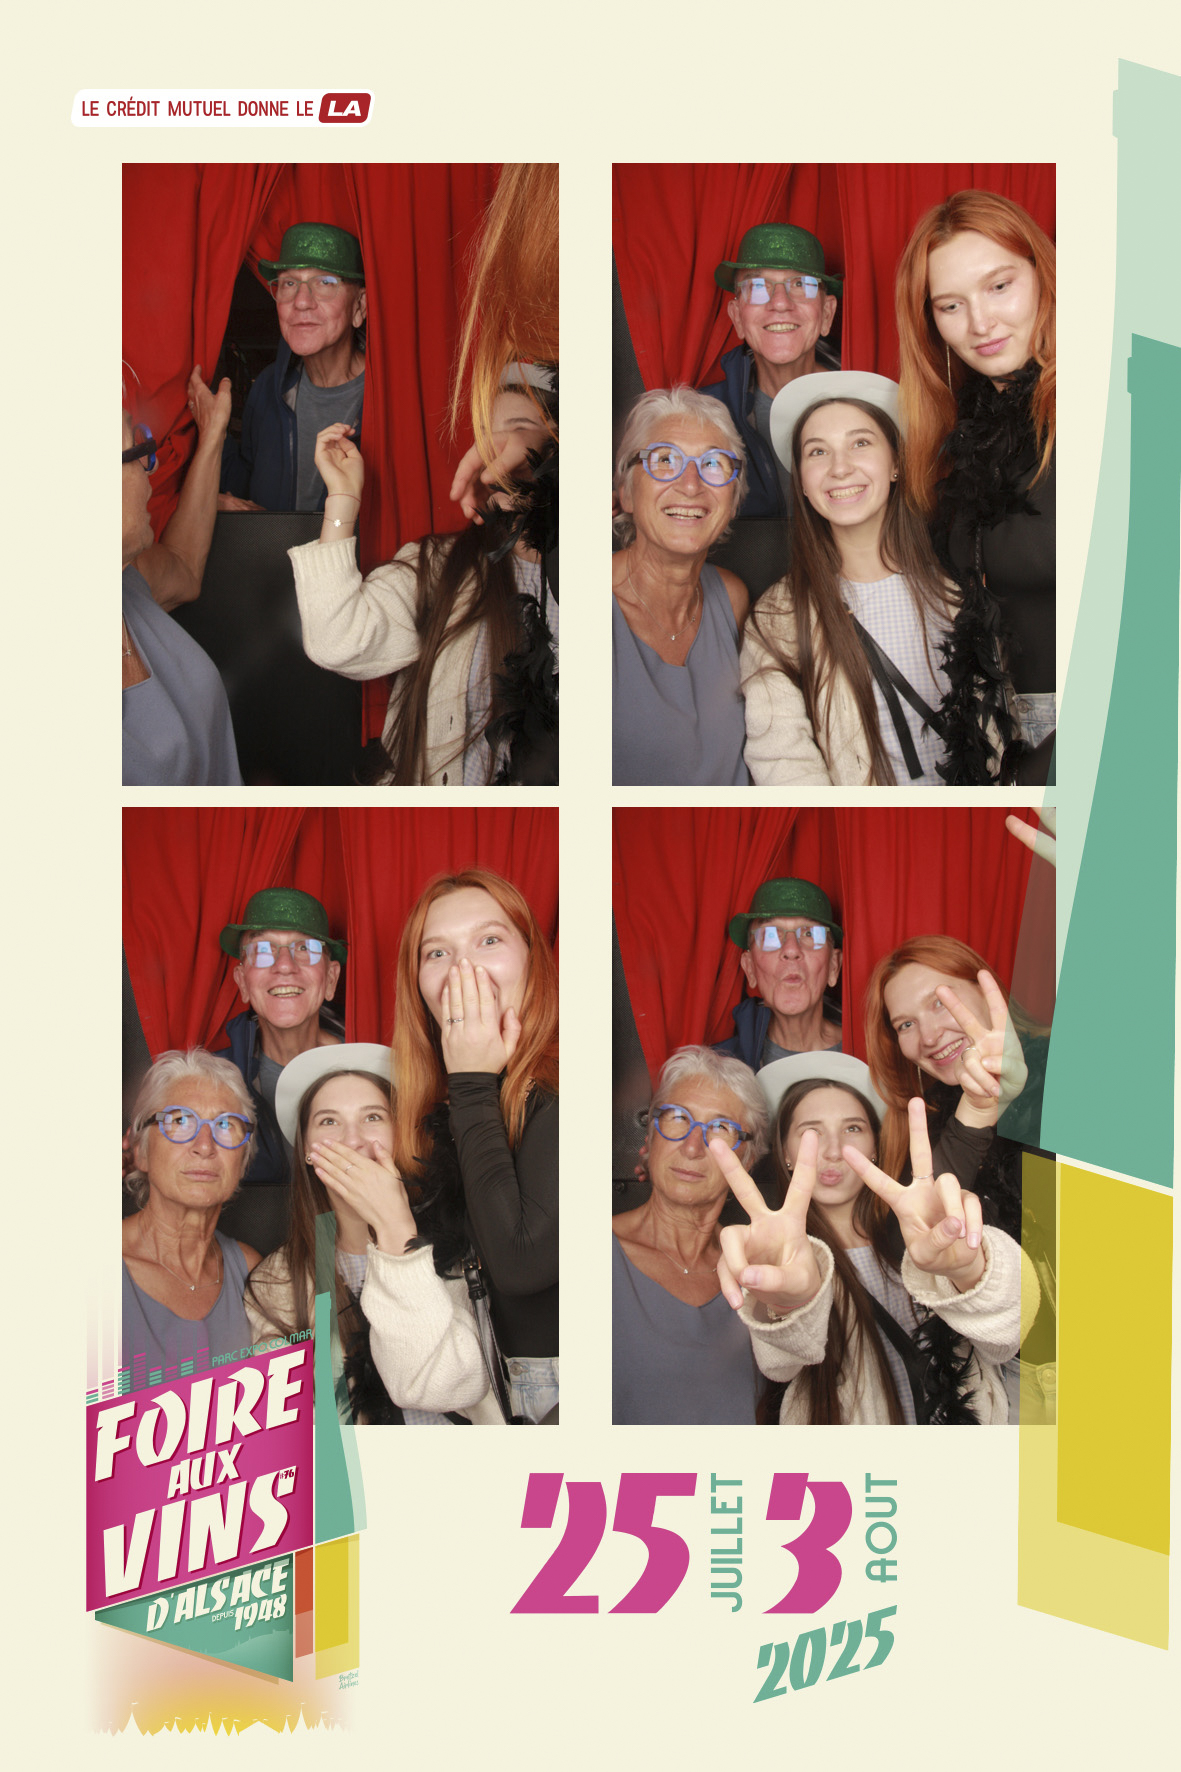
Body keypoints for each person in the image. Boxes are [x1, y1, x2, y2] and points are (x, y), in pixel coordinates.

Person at [714, 1052, 1035, 1424]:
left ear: (875, 1148)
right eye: (810, 1132)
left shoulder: (922, 1234)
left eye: (852, 1128)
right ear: (785, 1151)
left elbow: (1004, 1341)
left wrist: (970, 1270)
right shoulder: (782, 1256)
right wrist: (785, 1305)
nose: (833, 1151)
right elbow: (780, 1364)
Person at [289, 372, 558, 785]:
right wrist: (342, 498)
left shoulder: (610, 574)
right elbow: (336, 640)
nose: (497, 450)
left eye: (519, 430)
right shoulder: (439, 567)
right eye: (486, 437)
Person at [245, 1045, 496, 1425]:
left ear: (400, 1135)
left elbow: (448, 1387)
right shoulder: (276, 1284)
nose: (353, 1140)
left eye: (373, 1117)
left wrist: (395, 1229)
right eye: (329, 1121)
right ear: (307, 1150)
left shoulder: (466, 1252)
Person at [896, 192, 1056, 782]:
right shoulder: (958, 440)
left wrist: (1052, 772)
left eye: (999, 286)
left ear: (1043, 277)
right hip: (1006, 737)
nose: (980, 323)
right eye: (951, 305)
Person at [393, 869, 559, 1423]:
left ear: (533, 959)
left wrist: (471, 1081)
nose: (464, 969)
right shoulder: (444, 1104)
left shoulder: (569, 1082)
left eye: (489, 940)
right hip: (492, 1386)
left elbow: (520, 1264)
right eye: (437, 953)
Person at [741, 372, 963, 785]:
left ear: (896, 464)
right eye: (817, 451)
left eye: (860, 443)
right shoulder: (777, 619)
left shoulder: (959, 592)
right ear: (802, 482)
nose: (840, 468)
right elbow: (783, 762)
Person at [612, 1046, 768, 1424]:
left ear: (747, 1159)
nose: (693, 1146)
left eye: (720, 1129)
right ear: (651, 1137)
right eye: (678, 1118)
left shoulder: (761, 1268)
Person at [612, 387, 751, 785]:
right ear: (626, 492)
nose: (691, 485)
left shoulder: (732, 597)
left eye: (713, 464)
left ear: (733, 500)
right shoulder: (577, 599)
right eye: (665, 460)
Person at [123, 371, 242, 786]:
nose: (151, 465)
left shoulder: (128, 579)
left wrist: (212, 434)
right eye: (137, 449)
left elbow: (185, 565)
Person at [213, 888, 346, 1255]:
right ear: (242, 982)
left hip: (344, 1263)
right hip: (246, 1267)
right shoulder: (211, 1082)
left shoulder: (373, 1073)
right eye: (263, 949)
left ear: (331, 979)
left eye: (306, 948)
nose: (284, 965)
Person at [122, 1049, 260, 1385]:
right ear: (141, 1151)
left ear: (242, 1161)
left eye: (225, 1125)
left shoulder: (251, 1271)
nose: (205, 1146)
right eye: (180, 1121)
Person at [219, 223, 367, 514]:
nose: (301, 301)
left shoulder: (390, 400)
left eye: (325, 282)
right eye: (288, 283)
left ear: (359, 306)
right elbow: (247, 491)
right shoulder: (267, 388)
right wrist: (215, 436)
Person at [699, 223, 841, 520]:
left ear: (827, 314)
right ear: (737, 318)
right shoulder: (701, 417)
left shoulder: (869, 403)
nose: (779, 303)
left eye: (801, 284)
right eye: (757, 287)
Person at [713, 878, 844, 1070]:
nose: (791, 950)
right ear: (750, 968)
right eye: (770, 935)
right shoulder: (720, 1070)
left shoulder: (872, 1055)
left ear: (834, 966)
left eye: (809, 934)